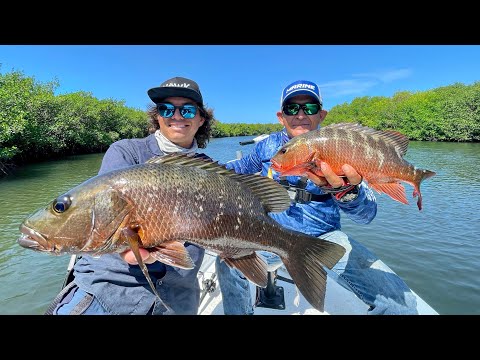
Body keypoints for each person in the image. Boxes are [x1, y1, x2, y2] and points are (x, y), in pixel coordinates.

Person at [215, 79, 419, 315]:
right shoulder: (266, 147)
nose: (301, 114)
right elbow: (235, 169)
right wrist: (199, 167)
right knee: (225, 261)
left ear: (321, 115)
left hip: (323, 238)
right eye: (292, 108)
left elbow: (367, 215)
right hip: (267, 235)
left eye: (309, 108)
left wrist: (347, 193)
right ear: (281, 116)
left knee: (401, 304)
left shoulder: (340, 146)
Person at [49, 76, 215, 315]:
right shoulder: (125, 151)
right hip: (109, 287)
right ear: (157, 116)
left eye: (187, 110)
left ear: (201, 119)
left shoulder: (213, 172)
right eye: (166, 109)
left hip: (177, 298)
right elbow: (107, 218)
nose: (176, 116)